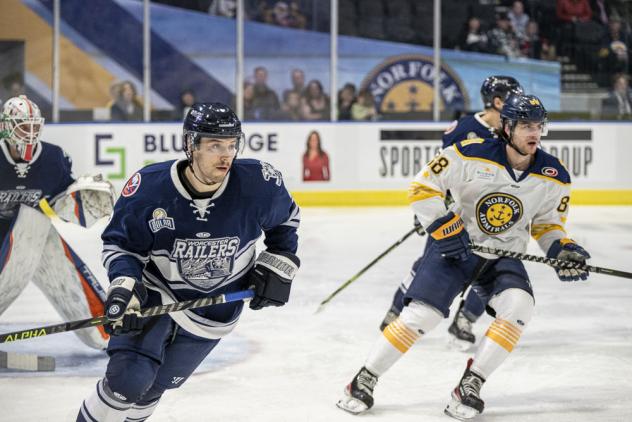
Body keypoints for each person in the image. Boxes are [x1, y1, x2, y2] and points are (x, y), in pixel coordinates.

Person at [337, 93, 590, 419]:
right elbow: (421, 188)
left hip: (502, 256)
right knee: (422, 315)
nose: (535, 133)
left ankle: (471, 383)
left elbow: (548, 225)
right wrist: (443, 225)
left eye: (539, 126)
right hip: (458, 251)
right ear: (508, 126)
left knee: (519, 306)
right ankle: (364, 378)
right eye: (527, 125)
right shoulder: (468, 153)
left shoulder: (554, 174)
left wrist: (561, 249)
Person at [76, 102, 301, 422]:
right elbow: (121, 245)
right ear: (189, 145)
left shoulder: (257, 185)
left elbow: (286, 221)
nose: (226, 155)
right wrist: (125, 286)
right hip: (158, 295)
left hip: (215, 311)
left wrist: (278, 261)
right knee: (128, 381)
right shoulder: (150, 189)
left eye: (232, 144)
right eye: (214, 146)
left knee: (156, 386)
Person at [379, 76, 524, 351]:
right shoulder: (464, 129)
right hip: (455, 215)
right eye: (513, 99)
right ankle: (396, 312)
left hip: (493, 217)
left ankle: (464, 321)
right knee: (430, 263)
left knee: (490, 267)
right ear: (497, 102)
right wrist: (430, 212)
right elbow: (437, 174)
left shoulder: (512, 133)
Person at [0, 95, 112, 350]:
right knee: (31, 220)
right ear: (6, 127)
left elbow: (61, 201)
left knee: (35, 222)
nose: (29, 133)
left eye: (33, 126)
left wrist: (82, 199)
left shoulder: (52, 158)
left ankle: (107, 331)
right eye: (22, 126)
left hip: (32, 234)